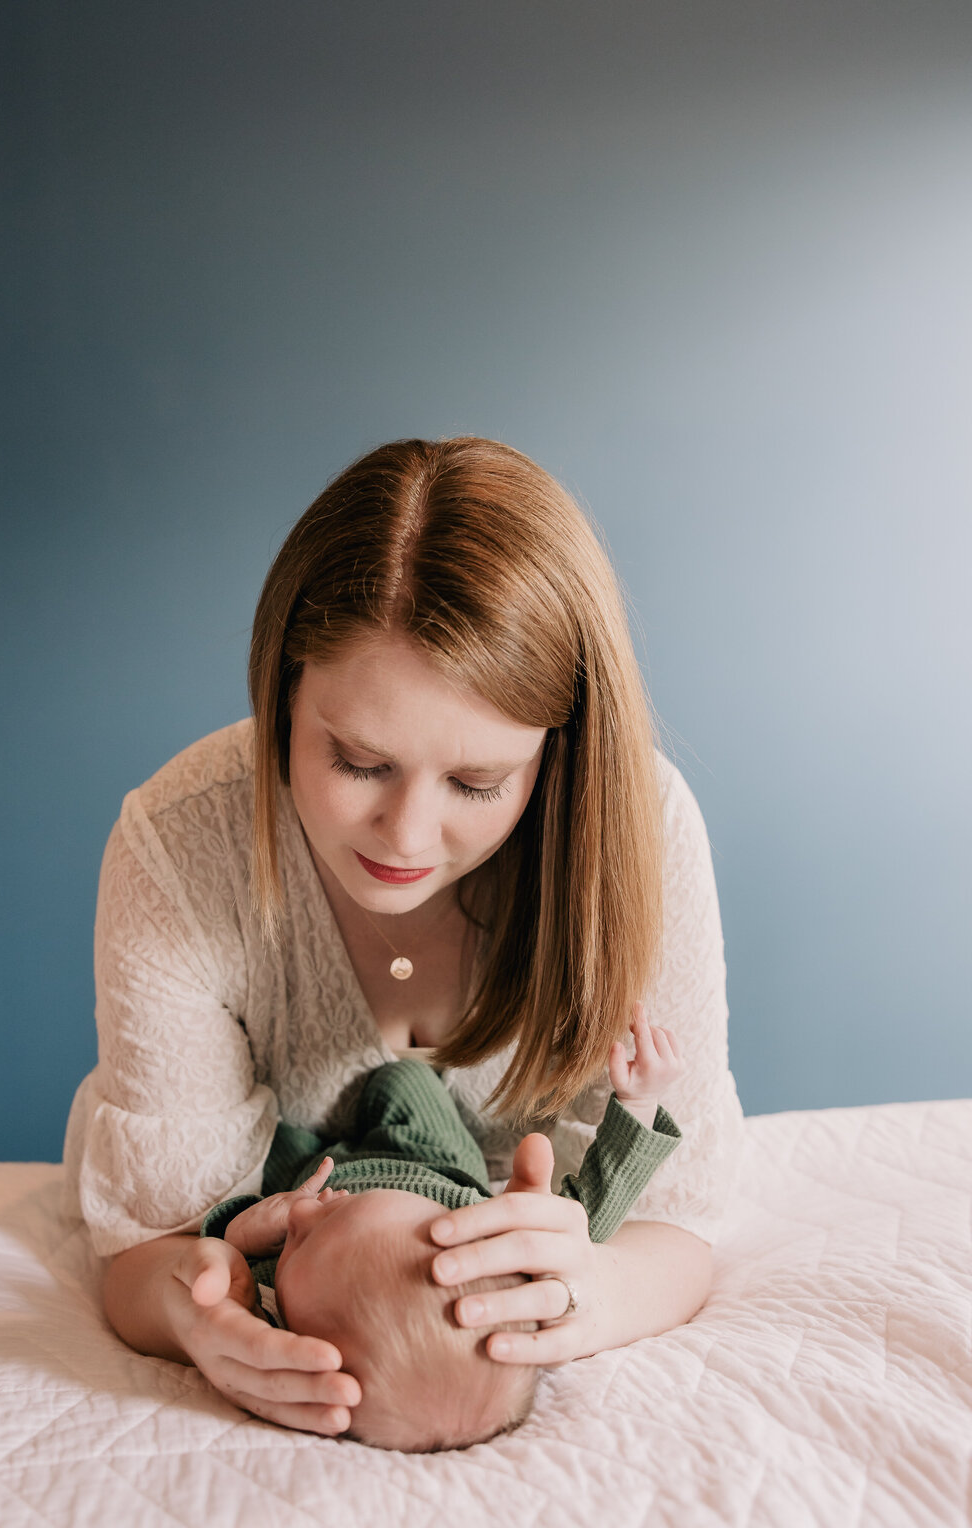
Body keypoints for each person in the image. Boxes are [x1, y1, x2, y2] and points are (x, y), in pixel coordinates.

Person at [66, 436, 744, 1437]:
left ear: (555, 754)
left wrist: (578, 1293)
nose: (408, 837)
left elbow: (679, 1221)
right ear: (282, 690)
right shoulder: (180, 849)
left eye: (477, 783)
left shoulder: (638, 836)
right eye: (358, 760)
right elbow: (151, 1249)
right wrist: (197, 1312)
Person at [205, 1005, 683, 1452]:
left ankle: (319, 1132)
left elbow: (226, 1264)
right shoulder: (492, 1237)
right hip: (429, 1157)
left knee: (276, 1138)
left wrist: (242, 1232)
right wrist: (638, 1101)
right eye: (326, 1218)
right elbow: (591, 1214)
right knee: (406, 1078)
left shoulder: (275, 1302)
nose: (301, 1217)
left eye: (296, 1243)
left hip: (307, 1174)